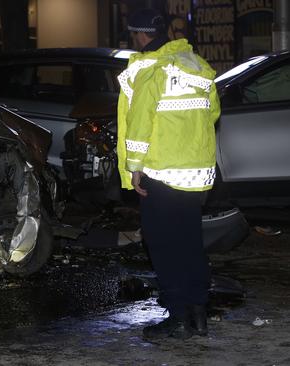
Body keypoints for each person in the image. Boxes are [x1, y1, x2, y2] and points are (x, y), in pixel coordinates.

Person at [116, 9, 220, 340]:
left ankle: (178, 318)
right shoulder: (197, 65)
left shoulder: (152, 70)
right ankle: (199, 314)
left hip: (161, 172)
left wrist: (134, 169)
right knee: (190, 243)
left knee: (163, 246)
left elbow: (139, 125)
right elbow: (213, 113)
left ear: (139, 35)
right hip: (195, 173)